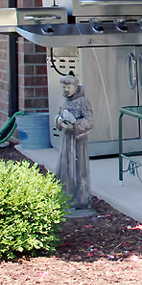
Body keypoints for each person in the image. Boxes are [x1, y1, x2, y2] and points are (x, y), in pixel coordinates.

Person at [54, 73, 94, 215]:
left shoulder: (83, 101)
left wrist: (75, 125)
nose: (66, 90)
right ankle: (65, 197)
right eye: (64, 87)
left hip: (79, 141)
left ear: (75, 87)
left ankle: (81, 200)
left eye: (68, 87)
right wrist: (60, 121)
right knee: (65, 168)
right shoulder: (64, 100)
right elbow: (58, 115)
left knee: (79, 168)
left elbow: (89, 121)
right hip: (66, 140)